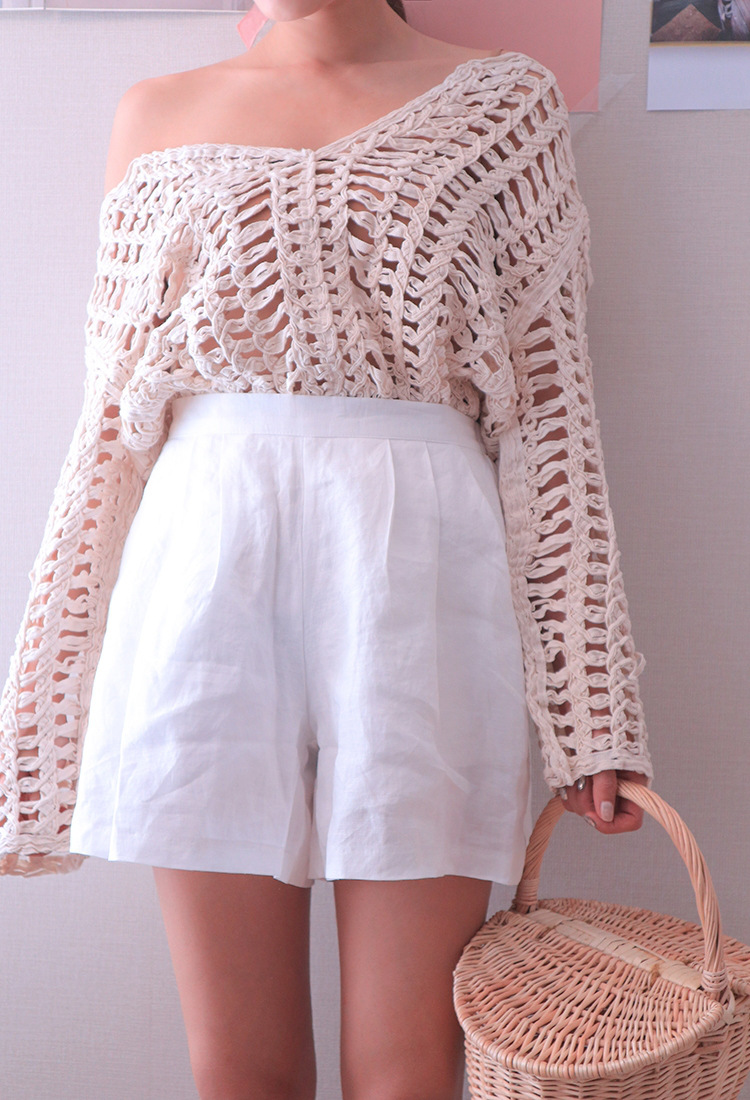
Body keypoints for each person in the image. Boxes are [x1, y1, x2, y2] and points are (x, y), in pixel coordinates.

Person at [0, 1, 654, 1097]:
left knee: (407, 1067)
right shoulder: (155, 114)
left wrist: (594, 707)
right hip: (203, 570)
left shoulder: (504, 106)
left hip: (422, 575)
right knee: (240, 1068)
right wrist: (39, 716)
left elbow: (550, 417)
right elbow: (108, 429)